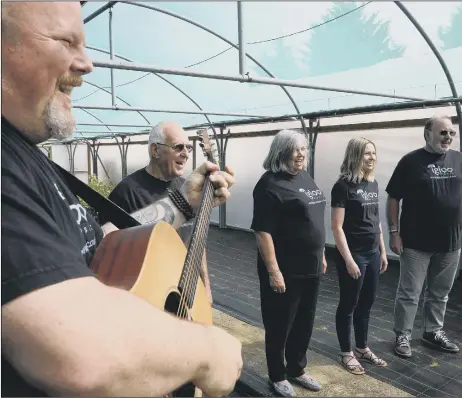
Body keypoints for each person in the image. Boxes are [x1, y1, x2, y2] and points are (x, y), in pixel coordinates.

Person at [1, 2, 243, 397]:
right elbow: (80, 348)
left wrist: (182, 202)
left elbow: (106, 242)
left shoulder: (24, 156)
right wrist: (207, 348)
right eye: (66, 41)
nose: (86, 64)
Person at [251, 130, 327, 397]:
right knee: (279, 323)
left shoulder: (304, 177)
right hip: (286, 269)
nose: (302, 154)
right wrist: (274, 271)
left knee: (305, 322)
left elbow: (314, 219)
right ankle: (277, 374)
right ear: (281, 151)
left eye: (304, 148)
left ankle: (297, 368)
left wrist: (322, 255)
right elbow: (263, 232)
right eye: (295, 149)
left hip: (312, 266)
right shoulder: (269, 184)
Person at [104, 121, 212, 303]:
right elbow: (109, 249)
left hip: (182, 286)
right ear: (155, 150)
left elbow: (195, 240)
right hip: (147, 291)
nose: (185, 154)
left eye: (188, 148)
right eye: (179, 147)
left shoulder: (186, 188)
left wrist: (205, 285)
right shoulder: (127, 191)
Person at [386, 114, 461, 358]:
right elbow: (393, 197)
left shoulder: (459, 159)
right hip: (416, 242)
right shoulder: (410, 161)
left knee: (440, 292)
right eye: (443, 132)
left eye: (451, 132)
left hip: (451, 242)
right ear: (427, 133)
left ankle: (432, 332)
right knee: (410, 292)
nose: (448, 137)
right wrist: (394, 233)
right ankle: (403, 334)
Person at [330, 137, 388, 375]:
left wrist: (382, 251)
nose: (372, 157)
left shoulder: (372, 184)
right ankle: (346, 352)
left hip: (373, 253)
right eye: (366, 154)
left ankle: (362, 347)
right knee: (349, 304)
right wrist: (349, 260)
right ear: (355, 156)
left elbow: (376, 221)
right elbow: (337, 227)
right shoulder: (342, 186)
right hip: (354, 255)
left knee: (367, 302)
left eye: (373, 153)